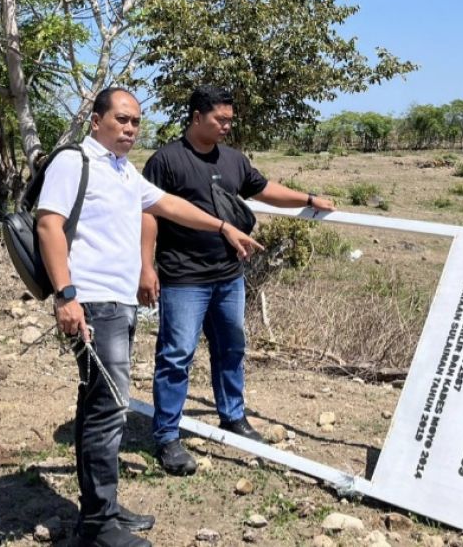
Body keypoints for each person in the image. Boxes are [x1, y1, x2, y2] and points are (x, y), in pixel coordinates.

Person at [37, 87, 262, 547]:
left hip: (118, 304)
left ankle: (103, 508)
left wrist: (222, 225)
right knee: (107, 410)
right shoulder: (73, 162)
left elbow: (167, 205)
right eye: (121, 120)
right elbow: (48, 224)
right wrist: (66, 295)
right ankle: (99, 528)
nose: (130, 129)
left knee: (99, 405)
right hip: (94, 303)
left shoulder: (123, 171)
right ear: (96, 120)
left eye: (136, 122)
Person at [140, 86, 335, 475]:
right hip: (183, 278)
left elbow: (264, 190)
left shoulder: (232, 159)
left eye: (230, 120)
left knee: (231, 348)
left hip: (228, 275)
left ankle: (233, 416)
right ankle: (166, 436)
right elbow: (149, 214)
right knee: (176, 356)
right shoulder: (166, 160)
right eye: (220, 120)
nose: (227, 126)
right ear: (197, 117)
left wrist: (309, 198)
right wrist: (146, 268)